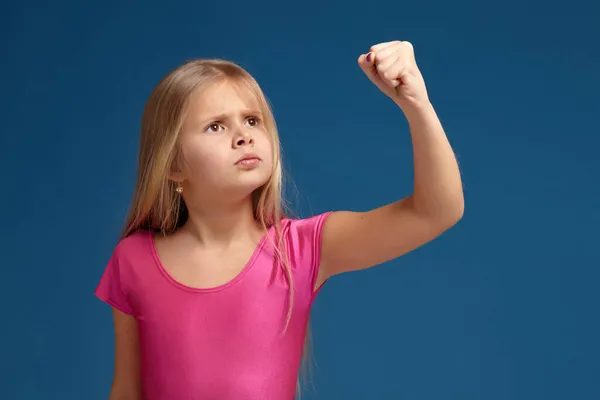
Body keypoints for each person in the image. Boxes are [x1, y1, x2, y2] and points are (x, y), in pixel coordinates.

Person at [95, 40, 464, 400]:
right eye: (216, 126)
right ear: (174, 165)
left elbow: (435, 211)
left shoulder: (301, 250)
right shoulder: (133, 261)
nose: (244, 137)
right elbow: (127, 391)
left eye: (252, 120)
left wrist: (416, 103)